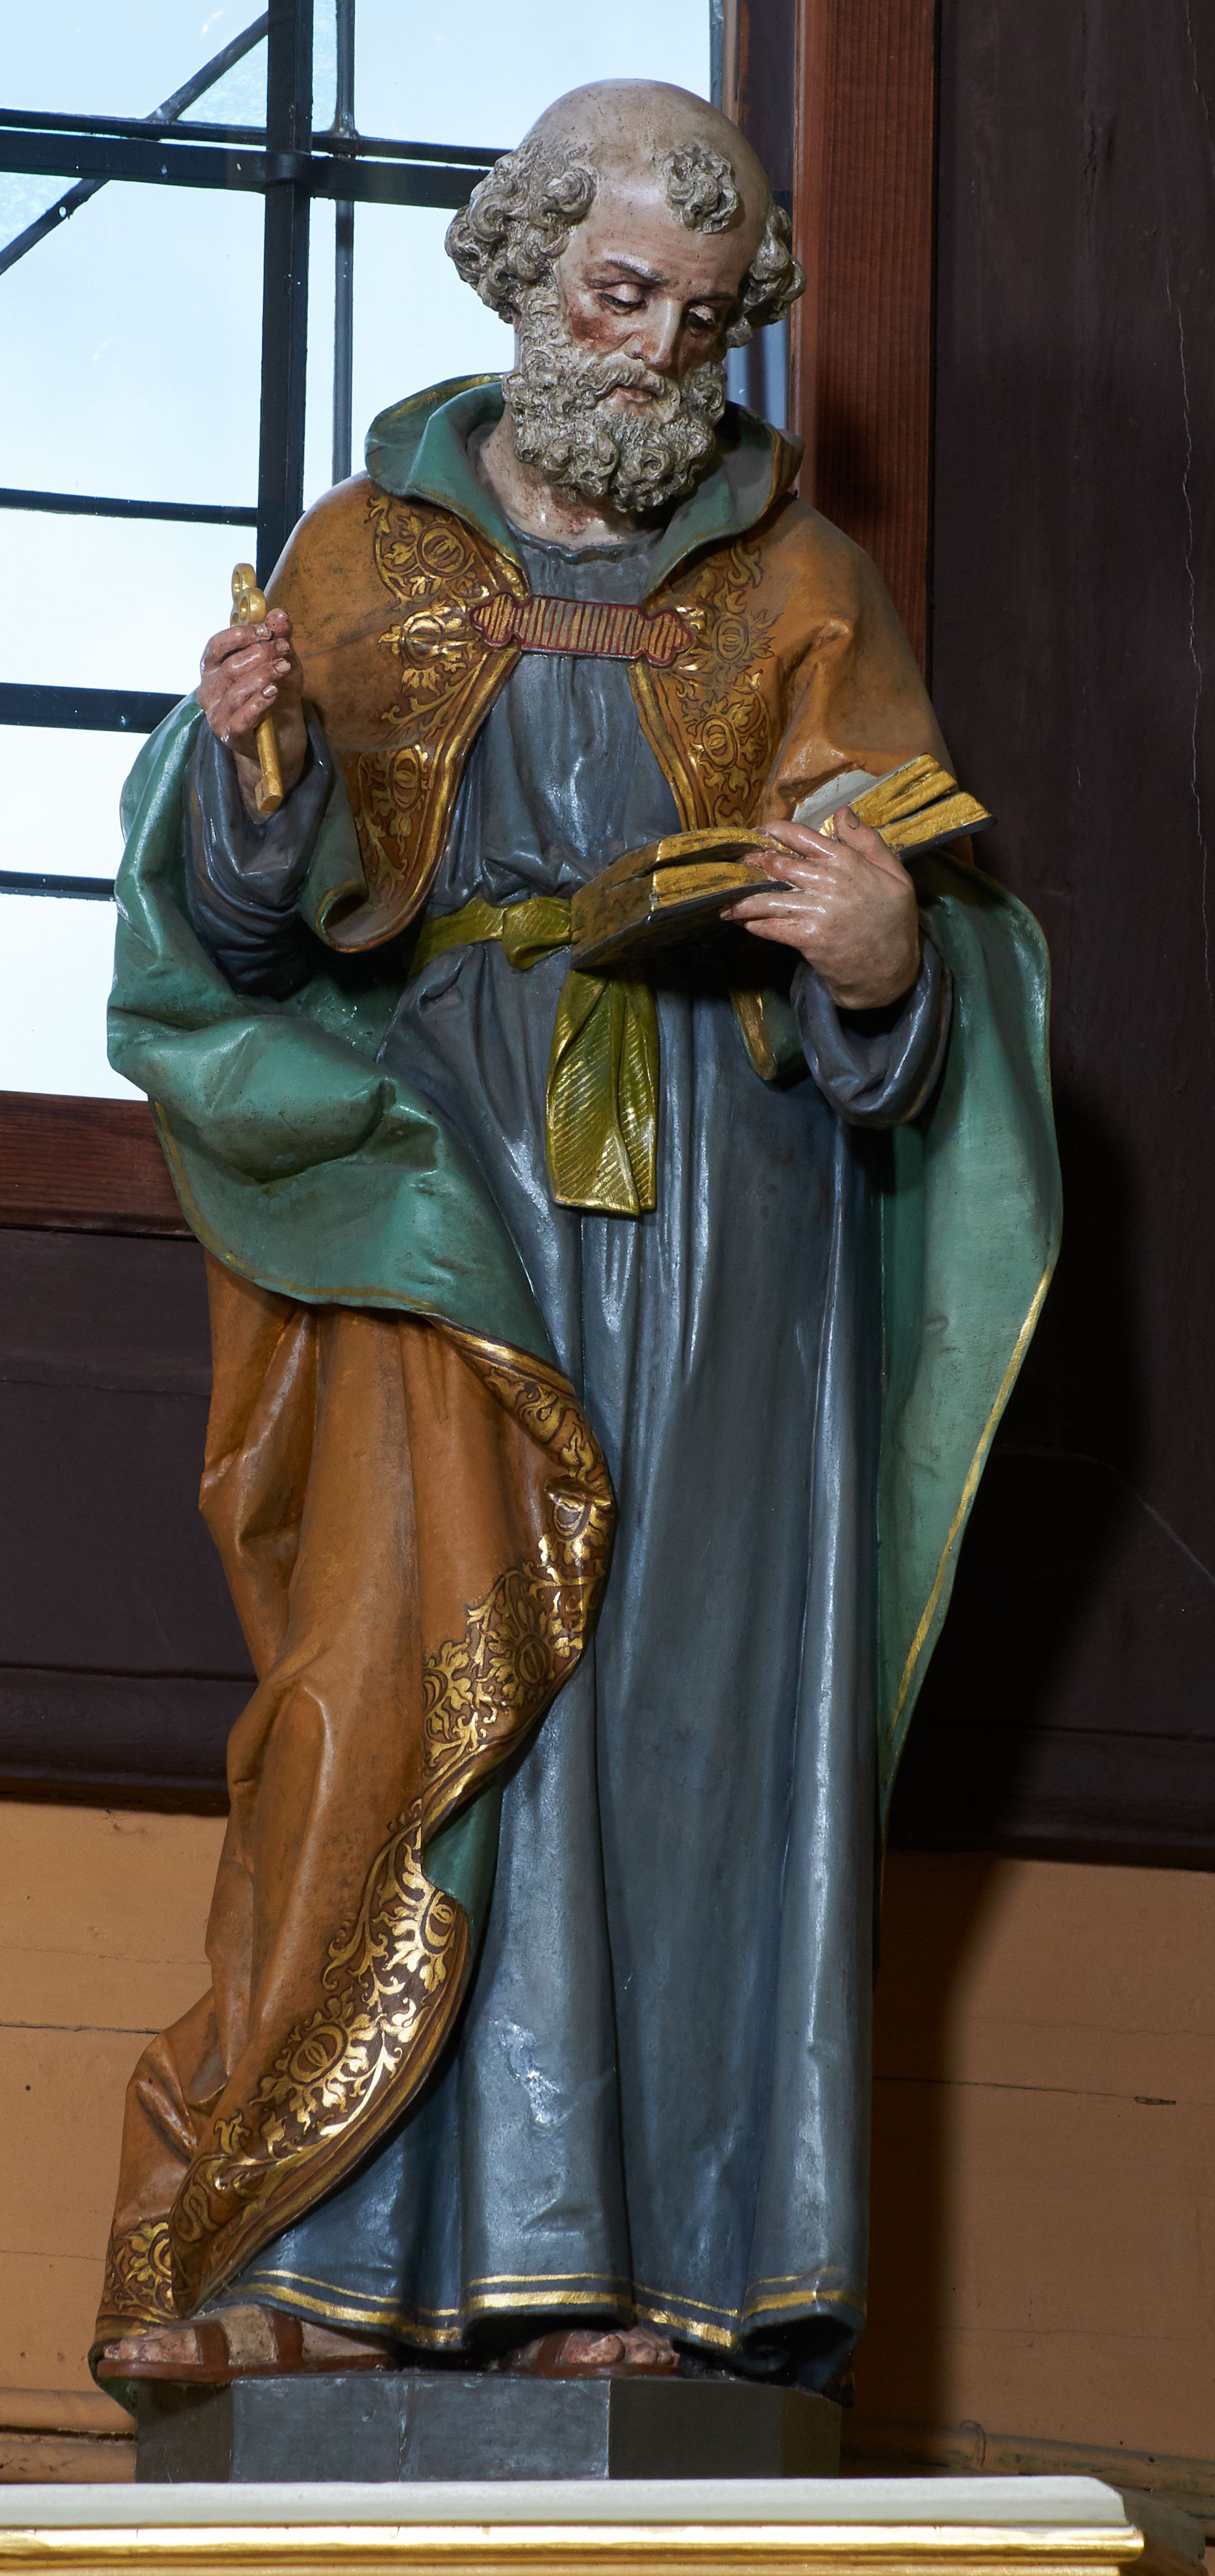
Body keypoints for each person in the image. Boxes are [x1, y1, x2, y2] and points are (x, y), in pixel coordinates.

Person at [94, 79, 1058, 2394]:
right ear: (527, 272)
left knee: (687, 1722)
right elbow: (240, 937)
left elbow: (938, 951)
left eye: (707, 321)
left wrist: (883, 959)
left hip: (731, 1237)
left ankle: (656, 2277)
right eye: (621, 295)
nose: (657, 356)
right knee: (386, 1693)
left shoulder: (806, 587)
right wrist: (249, 794)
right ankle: (317, 2251)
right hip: (437, 1205)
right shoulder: (359, 555)